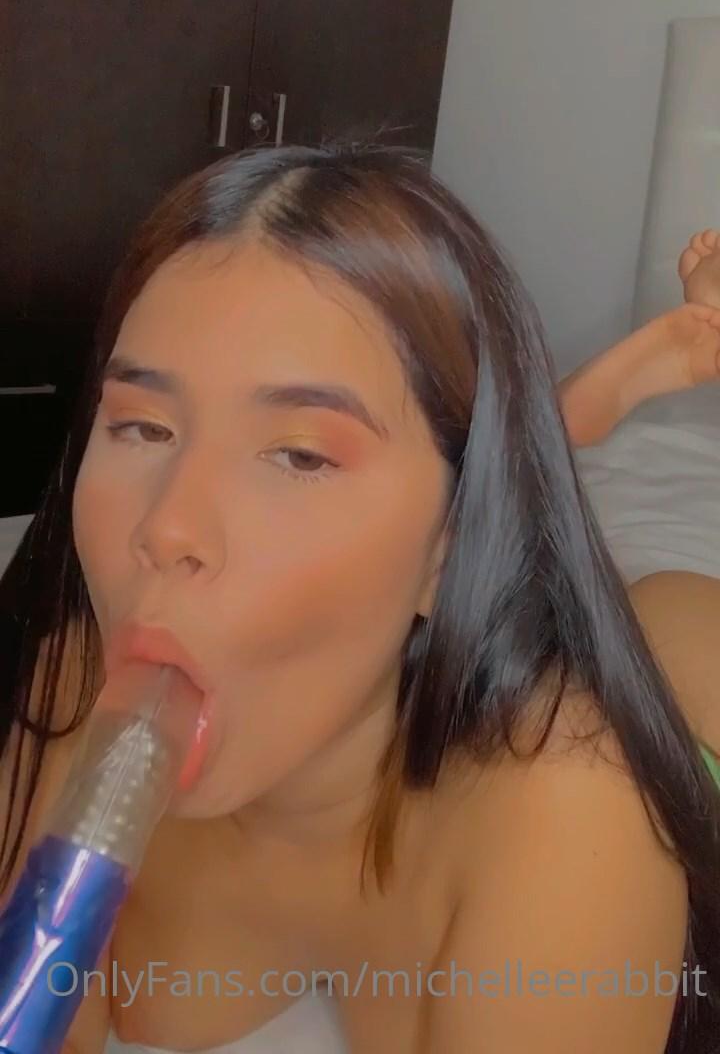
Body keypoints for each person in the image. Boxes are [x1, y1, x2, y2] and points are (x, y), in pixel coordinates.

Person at [0, 144, 718, 1054]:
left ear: (453, 545)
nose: (166, 527)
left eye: (300, 454)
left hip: (690, 673)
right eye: (142, 427)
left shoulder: (572, 813)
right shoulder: (77, 690)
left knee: (661, 623)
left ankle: (614, 387)